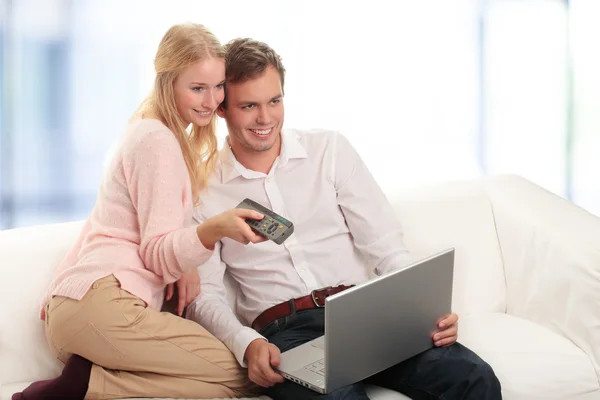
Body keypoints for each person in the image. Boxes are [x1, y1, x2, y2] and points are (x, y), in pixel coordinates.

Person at [186, 37, 503, 400]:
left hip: (363, 314)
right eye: (249, 106)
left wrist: (424, 312)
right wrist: (246, 343)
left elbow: (385, 248)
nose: (266, 118)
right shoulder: (202, 189)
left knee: (475, 378)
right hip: (286, 332)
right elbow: (205, 294)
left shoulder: (329, 151)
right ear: (222, 109)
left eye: (275, 101)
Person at [12, 24, 267, 400]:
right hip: (102, 306)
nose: (211, 101)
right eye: (197, 88)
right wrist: (214, 230)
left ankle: (84, 384)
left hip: (87, 309)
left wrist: (61, 294)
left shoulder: (147, 133)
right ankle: (83, 386)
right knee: (244, 373)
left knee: (218, 385)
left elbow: (97, 228)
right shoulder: (157, 140)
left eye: (218, 89)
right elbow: (157, 252)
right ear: (167, 83)